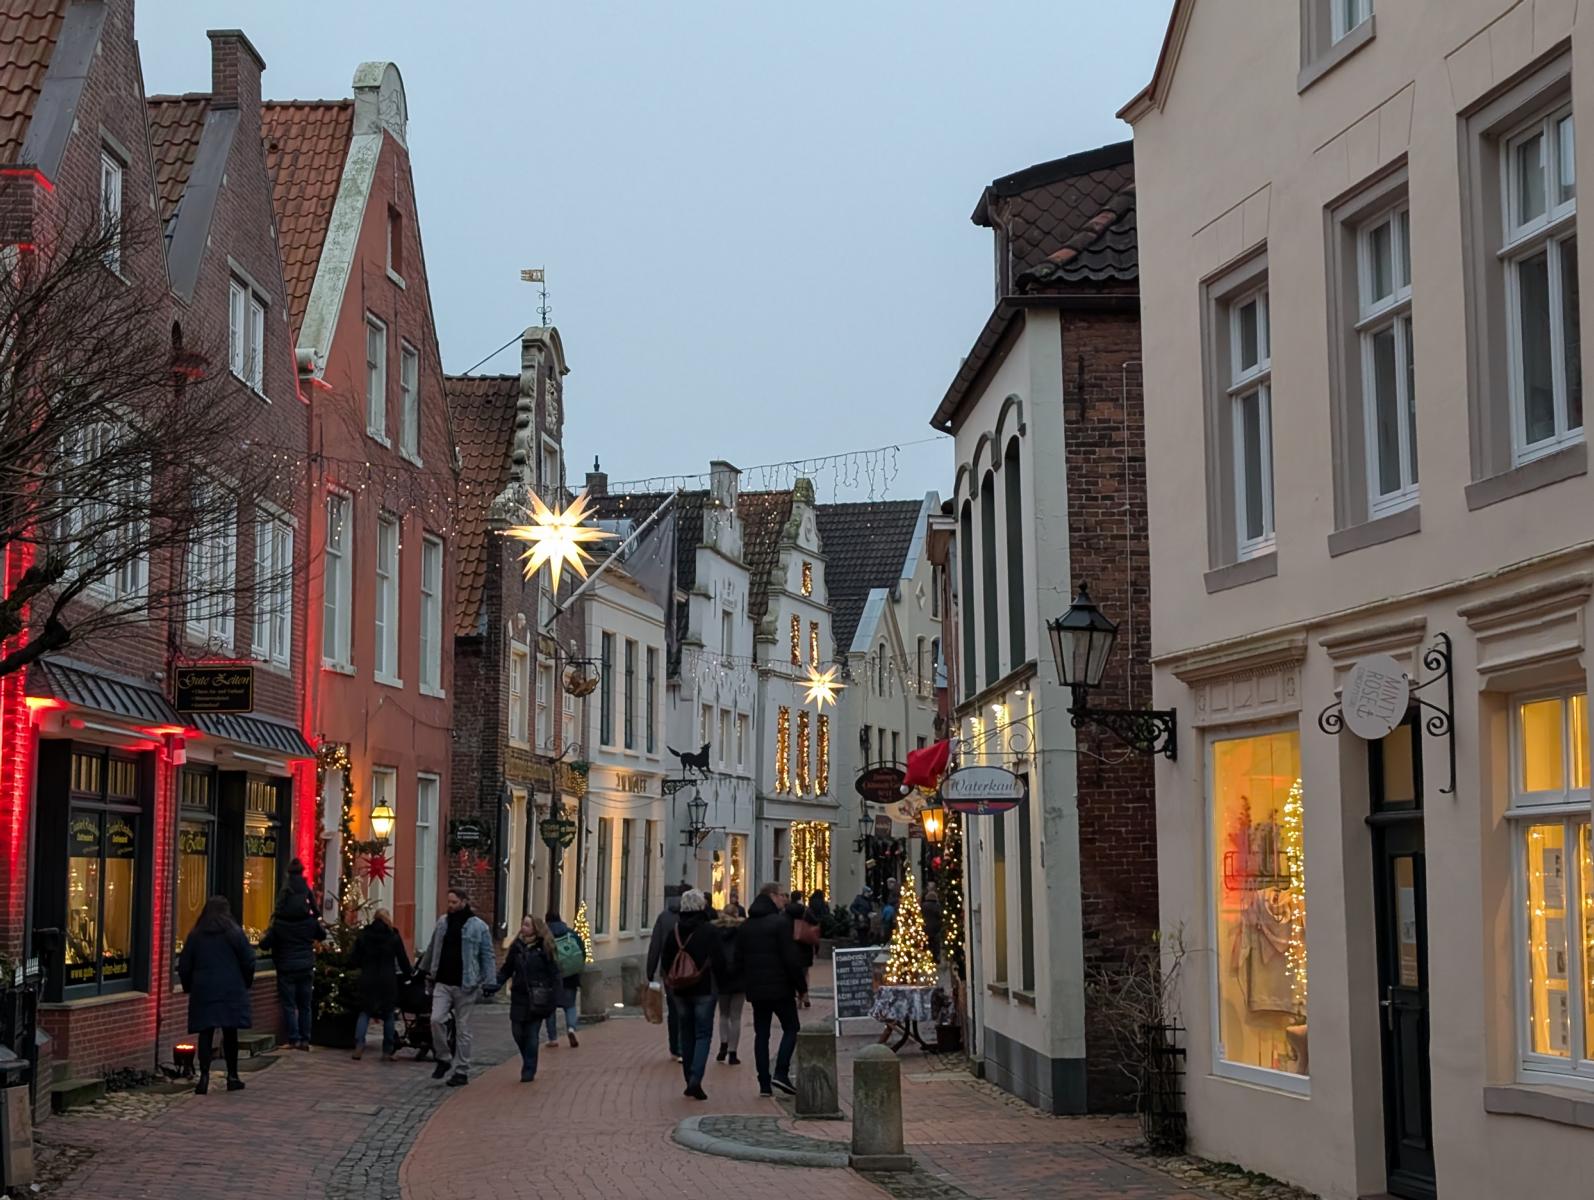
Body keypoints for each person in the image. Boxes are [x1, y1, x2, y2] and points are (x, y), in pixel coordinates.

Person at [177, 895, 256, 1095]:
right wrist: (245, 982)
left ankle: (204, 1077)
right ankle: (232, 1076)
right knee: (230, 1033)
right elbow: (248, 959)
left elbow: (184, 964)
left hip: (204, 988)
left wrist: (189, 986)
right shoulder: (234, 933)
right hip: (231, 988)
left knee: (205, 1032)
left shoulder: (196, 935)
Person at [419, 887, 496, 1087]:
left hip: (466, 984)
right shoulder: (442, 923)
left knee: (463, 1029)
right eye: (449, 902)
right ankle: (444, 1057)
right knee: (436, 1019)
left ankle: (461, 1070)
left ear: (463, 901)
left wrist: (489, 981)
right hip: (442, 981)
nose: (451, 906)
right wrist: (423, 969)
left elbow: (487, 955)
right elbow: (432, 947)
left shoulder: (478, 927)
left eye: (454, 902)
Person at [739, 882, 805, 1097]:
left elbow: (738, 958)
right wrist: (801, 987)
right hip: (780, 987)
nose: (784, 900)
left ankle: (764, 1083)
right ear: (772, 896)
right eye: (782, 895)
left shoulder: (746, 926)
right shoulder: (780, 923)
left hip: (756, 988)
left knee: (762, 1034)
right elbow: (790, 958)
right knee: (792, 1027)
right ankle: (781, 1072)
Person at [665, 889, 724, 1100]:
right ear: (702, 906)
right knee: (703, 1034)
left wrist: (670, 981)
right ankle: (696, 1078)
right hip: (704, 988)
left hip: (680, 990)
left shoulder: (675, 931)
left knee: (686, 1033)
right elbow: (719, 959)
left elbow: (666, 959)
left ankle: (688, 1076)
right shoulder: (709, 930)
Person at [258, 884, 327, 1050]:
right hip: (305, 967)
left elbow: (265, 944)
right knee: (305, 1005)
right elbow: (322, 935)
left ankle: (294, 1039)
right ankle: (305, 1039)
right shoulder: (308, 921)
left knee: (289, 1005)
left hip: (286, 967)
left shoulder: (280, 923)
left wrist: (264, 937)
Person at [498, 915, 562, 1083]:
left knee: (532, 1034)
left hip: (538, 997)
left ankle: (529, 1068)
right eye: (523, 924)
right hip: (519, 996)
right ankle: (527, 1057)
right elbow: (507, 969)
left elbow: (554, 973)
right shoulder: (517, 947)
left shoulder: (545, 947)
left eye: (527, 925)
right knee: (517, 1032)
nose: (523, 927)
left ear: (536, 928)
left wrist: (555, 996)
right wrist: (496, 984)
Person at [349, 909, 411, 1061]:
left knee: (365, 1012)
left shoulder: (364, 935)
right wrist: (409, 975)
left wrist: (361, 965)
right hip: (387, 979)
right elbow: (402, 959)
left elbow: (353, 959)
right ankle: (387, 1050)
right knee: (388, 1014)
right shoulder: (393, 936)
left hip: (368, 978)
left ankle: (359, 1045)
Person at [645, 887, 684, 1060]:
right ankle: (683, 1046)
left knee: (673, 1009)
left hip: (668, 971)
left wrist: (650, 970)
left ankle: (675, 1047)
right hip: (689, 970)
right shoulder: (691, 917)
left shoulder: (663, 917)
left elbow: (655, 945)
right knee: (685, 1008)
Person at [711, 902, 746, 1065]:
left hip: (721, 975)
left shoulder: (716, 930)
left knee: (723, 1014)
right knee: (736, 1016)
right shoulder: (742, 930)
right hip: (739, 976)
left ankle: (723, 1043)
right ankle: (733, 1052)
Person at [544, 909, 582, 1048]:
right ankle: (571, 1028)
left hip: (552, 977)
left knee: (550, 1008)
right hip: (571, 975)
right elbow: (582, 951)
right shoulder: (571, 933)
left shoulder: (545, 936)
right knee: (570, 1005)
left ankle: (553, 1038)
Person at [785, 891, 816, 1008]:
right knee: (805, 972)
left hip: (791, 944)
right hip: (805, 944)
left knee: (794, 972)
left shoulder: (786, 911)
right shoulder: (806, 911)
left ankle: (798, 996)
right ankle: (805, 994)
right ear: (801, 898)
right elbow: (815, 922)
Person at [921, 884, 943, 962]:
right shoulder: (937, 905)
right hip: (935, 928)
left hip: (925, 927)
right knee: (935, 944)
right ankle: (935, 958)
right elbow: (940, 915)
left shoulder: (923, 905)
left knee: (926, 943)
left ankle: (925, 958)